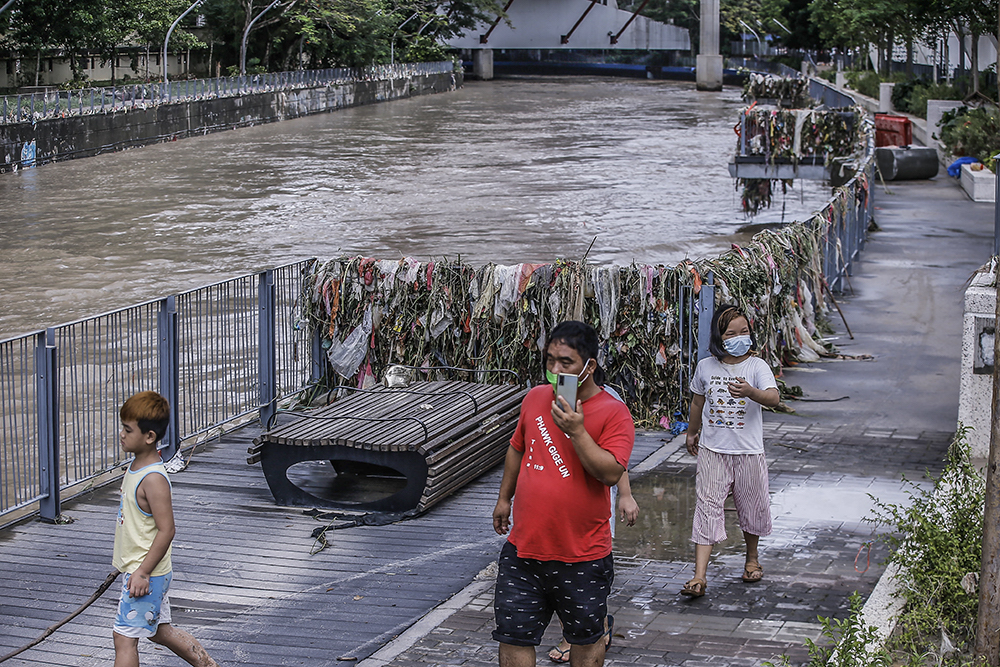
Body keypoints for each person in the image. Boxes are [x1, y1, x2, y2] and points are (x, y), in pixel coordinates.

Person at [492, 320, 635, 667]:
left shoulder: (614, 413)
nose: (555, 370)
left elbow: (611, 472)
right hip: (523, 550)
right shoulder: (536, 397)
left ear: (589, 366)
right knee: (513, 635)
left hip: (583, 556)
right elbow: (517, 448)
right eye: (550, 360)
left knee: (586, 639)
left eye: (566, 362)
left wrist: (576, 431)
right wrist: (504, 498)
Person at [112, 391, 219, 667]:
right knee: (159, 631)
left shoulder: (153, 479)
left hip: (146, 574)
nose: (121, 434)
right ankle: (206, 663)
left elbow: (167, 530)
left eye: (127, 429)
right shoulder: (136, 466)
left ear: (149, 436)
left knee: (124, 639)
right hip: (143, 570)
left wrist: (143, 571)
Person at [680, 305, 779, 599]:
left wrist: (751, 392)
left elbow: (773, 398)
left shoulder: (757, 367)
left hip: (749, 452)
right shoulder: (706, 367)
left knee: (751, 505)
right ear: (718, 338)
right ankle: (699, 576)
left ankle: (751, 559)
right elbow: (697, 403)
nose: (739, 338)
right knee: (707, 506)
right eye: (731, 333)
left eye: (744, 332)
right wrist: (692, 431)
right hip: (713, 451)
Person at [546, 472, 638, 664]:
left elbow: (616, 457)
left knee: (592, 572)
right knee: (558, 570)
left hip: (595, 503)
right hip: (556, 499)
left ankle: (598, 623)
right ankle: (571, 635)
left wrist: (626, 494)